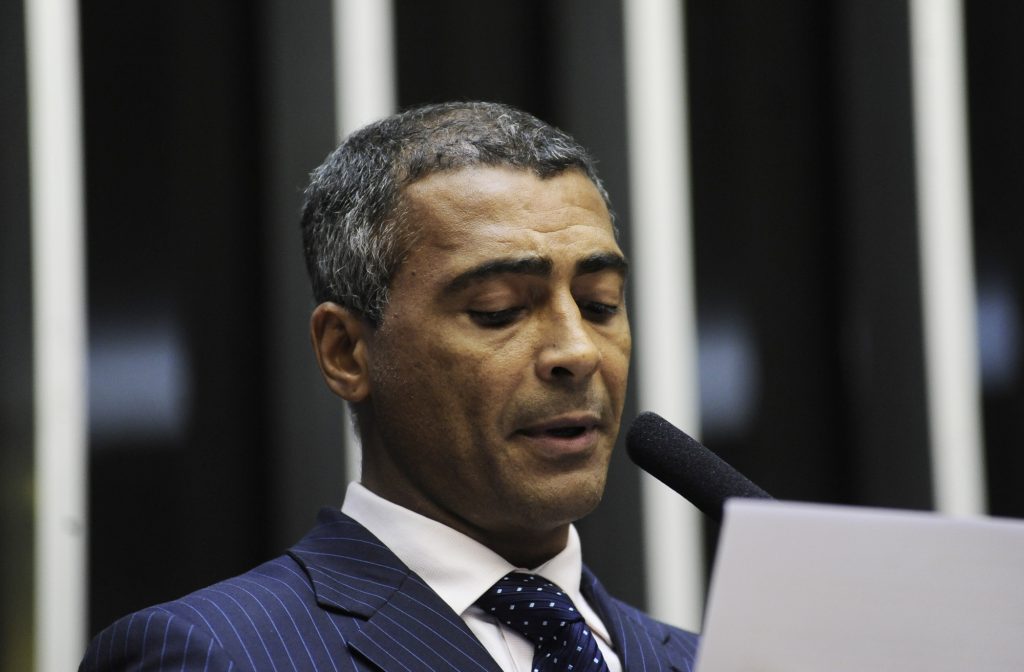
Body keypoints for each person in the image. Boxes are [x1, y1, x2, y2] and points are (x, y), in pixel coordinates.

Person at [80, 102, 700, 671]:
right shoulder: (213, 653)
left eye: (599, 304)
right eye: (498, 310)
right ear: (346, 352)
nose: (578, 351)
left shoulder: (710, 657)